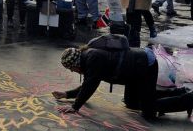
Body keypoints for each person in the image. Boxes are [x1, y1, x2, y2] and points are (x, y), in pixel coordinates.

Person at [54, 42, 193, 119]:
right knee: (131, 102)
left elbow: (90, 85)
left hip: (145, 66)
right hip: (132, 71)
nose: (72, 71)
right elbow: (87, 85)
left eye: (71, 68)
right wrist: (66, 94)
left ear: (75, 63)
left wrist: (75, 107)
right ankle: (178, 91)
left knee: (149, 110)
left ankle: (189, 100)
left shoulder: (92, 59)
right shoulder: (87, 58)